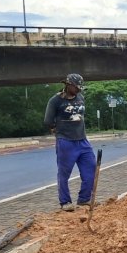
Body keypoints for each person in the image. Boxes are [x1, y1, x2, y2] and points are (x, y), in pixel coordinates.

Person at [43, 73, 97, 212]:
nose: (78, 89)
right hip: (66, 142)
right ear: (68, 85)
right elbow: (48, 121)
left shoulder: (80, 97)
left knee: (91, 169)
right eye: (76, 87)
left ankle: (84, 199)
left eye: (80, 87)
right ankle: (65, 202)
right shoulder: (55, 100)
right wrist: (56, 130)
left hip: (82, 140)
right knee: (64, 173)